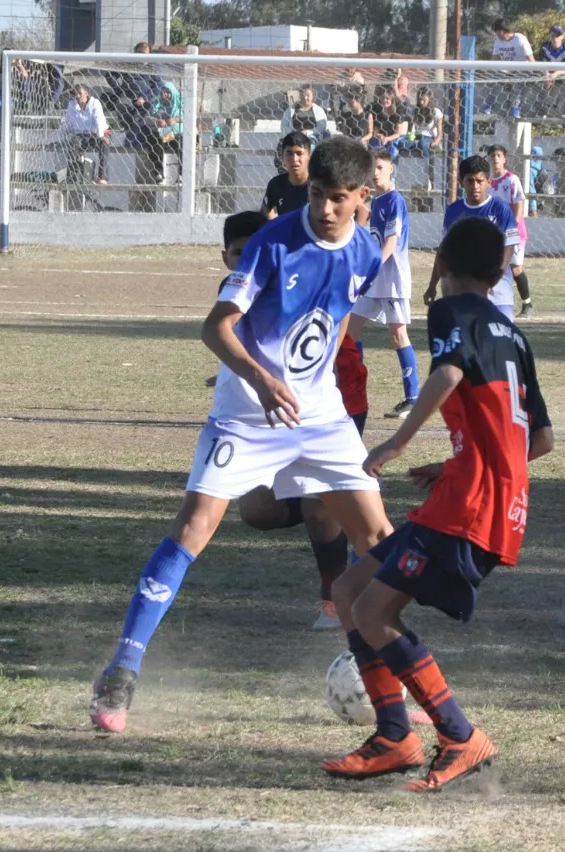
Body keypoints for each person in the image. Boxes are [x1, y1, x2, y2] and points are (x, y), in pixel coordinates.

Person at [89, 137, 394, 734]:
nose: (324, 209)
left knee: (381, 537)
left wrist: (316, 386)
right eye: (315, 195)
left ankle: (389, 668)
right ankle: (122, 671)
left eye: (337, 199)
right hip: (245, 414)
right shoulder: (271, 244)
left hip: (320, 417)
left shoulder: (364, 253)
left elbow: (330, 329)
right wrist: (261, 379)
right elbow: (216, 327)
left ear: (362, 198)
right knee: (193, 527)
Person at [320, 215, 554, 792]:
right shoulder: (513, 334)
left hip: (471, 507)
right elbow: (541, 440)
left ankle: (459, 735)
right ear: (501, 271)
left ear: (442, 266)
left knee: (374, 612)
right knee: (350, 592)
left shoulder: (450, 312)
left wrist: (399, 442)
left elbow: (449, 371)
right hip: (482, 498)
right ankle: (396, 737)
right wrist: (461, 462)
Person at [215, 211, 369, 632]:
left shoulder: (303, 263)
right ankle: (338, 505)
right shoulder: (235, 292)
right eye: (238, 253)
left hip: (331, 404)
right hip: (273, 411)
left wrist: (319, 374)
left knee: (320, 504)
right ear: (226, 257)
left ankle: (334, 598)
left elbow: (334, 325)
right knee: (258, 511)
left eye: (253, 251)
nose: (247, 259)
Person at [349, 148, 419, 419]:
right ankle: (351, 389)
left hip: (391, 279)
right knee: (350, 331)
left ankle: (412, 398)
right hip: (375, 278)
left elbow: (391, 240)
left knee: (398, 335)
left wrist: (374, 265)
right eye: (372, 169)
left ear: (391, 169)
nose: (375, 173)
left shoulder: (394, 201)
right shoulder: (377, 203)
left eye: (380, 168)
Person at [425, 155, 519, 318]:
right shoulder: (454, 211)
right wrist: (432, 285)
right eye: (470, 181)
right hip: (464, 291)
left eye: (479, 181)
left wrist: (495, 277)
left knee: (501, 338)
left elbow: (508, 247)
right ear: (461, 182)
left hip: (498, 291)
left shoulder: (501, 209)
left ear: (489, 182)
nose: (475, 186)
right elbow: (443, 251)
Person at [488, 145, 535, 319]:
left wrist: (512, 225)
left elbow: (520, 203)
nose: (495, 159)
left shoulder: (511, 180)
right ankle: (498, 303)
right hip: (496, 231)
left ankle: (528, 304)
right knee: (496, 266)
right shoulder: (489, 182)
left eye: (498, 155)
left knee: (515, 268)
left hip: (513, 230)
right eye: (492, 155)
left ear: (505, 158)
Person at [62, 84, 111, 185]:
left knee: (104, 144)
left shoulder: (95, 103)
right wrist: (65, 133)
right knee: (73, 144)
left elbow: (99, 120)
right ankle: (73, 176)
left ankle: (102, 177)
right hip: (81, 134)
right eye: (75, 93)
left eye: (80, 93)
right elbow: (68, 121)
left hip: (97, 132)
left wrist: (101, 136)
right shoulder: (72, 105)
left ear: (87, 94)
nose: (77, 96)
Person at [490, 18, 534, 119]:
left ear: (502, 31)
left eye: (497, 32)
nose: (496, 35)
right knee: (492, 78)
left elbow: (531, 59)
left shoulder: (520, 39)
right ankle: (489, 105)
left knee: (516, 81)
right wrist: (489, 69)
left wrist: (540, 72)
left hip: (522, 70)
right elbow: (494, 58)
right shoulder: (498, 40)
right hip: (506, 70)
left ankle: (515, 108)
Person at [141, 81, 183, 185]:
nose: (166, 95)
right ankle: (158, 174)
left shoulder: (180, 104)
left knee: (183, 145)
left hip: (176, 133)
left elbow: (190, 116)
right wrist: (157, 122)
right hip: (164, 135)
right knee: (154, 142)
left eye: (168, 92)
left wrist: (175, 120)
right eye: (164, 92)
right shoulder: (157, 104)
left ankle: (182, 175)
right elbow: (146, 119)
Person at [262, 132, 311, 218]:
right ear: (282, 156)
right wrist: (274, 227)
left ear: (309, 156)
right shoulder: (276, 184)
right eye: (289, 153)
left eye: (299, 153)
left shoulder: (319, 185)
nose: (294, 159)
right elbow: (265, 210)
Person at [362, 86, 408, 166]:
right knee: (374, 149)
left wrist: (387, 139)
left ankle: (392, 173)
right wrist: (378, 135)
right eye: (383, 98)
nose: (384, 101)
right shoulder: (377, 109)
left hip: (393, 137)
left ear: (392, 100)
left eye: (387, 99)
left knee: (393, 152)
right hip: (381, 137)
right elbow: (375, 128)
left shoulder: (398, 112)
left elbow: (398, 133)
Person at [400, 88, 444, 159]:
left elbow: (440, 132)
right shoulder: (415, 111)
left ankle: (427, 162)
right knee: (402, 143)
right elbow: (410, 127)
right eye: (419, 99)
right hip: (417, 137)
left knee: (422, 143)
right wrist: (409, 136)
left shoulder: (436, 112)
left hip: (429, 138)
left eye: (423, 99)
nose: (421, 101)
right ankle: (418, 147)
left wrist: (436, 142)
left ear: (429, 98)